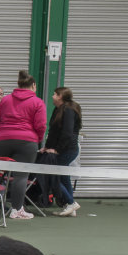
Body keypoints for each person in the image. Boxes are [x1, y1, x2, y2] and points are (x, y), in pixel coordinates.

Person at [0, 70, 47, 220]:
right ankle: (17, 209)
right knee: (21, 176)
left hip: (3, 139)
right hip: (27, 141)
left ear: (18, 84)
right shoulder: (38, 102)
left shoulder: (6, 100)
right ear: (33, 85)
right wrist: (37, 140)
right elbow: (41, 125)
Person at [42, 87, 82, 217]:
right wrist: (47, 147)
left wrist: (57, 149)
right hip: (64, 149)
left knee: (54, 176)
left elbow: (67, 133)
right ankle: (70, 207)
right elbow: (53, 132)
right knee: (64, 177)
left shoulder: (69, 110)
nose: (52, 96)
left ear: (60, 96)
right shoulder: (58, 109)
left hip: (67, 150)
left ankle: (71, 202)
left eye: (54, 94)